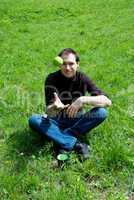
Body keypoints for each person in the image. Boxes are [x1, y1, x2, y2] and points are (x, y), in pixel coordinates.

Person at [29, 48, 112, 159]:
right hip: (56, 120)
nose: (67, 68)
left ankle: (61, 138)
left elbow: (107, 101)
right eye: (64, 64)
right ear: (59, 64)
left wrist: (82, 100)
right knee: (34, 120)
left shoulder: (83, 78)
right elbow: (48, 110)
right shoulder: (51, 79)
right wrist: (54, 107)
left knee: (101, 112)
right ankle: (76, 144)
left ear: (77, 64)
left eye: (71, 64)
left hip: (77, 119)